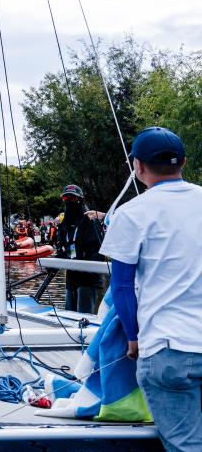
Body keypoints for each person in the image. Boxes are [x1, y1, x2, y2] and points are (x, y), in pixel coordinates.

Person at [101, 127, 202, 451]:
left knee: (188, 446)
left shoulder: (131, 214)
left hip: (168, 348)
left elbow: (121, 285)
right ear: (183, 162)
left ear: (138, 166)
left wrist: (133, 336)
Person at [55, 184, 106, 314]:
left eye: (72, 198)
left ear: (80, 200)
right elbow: (64, 247)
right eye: (65, 198)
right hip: (71, 276)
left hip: (88, 279)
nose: (68, 201)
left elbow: (99, 252)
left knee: (83, 316)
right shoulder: (65, 223)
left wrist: (89, 265)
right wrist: (57, 260)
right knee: (68, 315)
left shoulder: (90, 220)